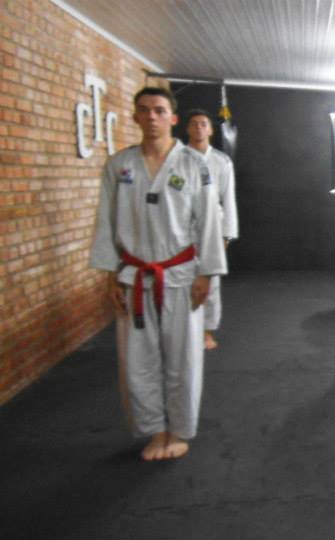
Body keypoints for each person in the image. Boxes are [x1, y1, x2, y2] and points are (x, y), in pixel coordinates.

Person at [90, 87, 226, 460]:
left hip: (181, 275)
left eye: (159, 110)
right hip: (133, 276)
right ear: (135, 116)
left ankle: (179, 429)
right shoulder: (119, 165)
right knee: (137, 362)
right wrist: (110, 274)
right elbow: (106, 221)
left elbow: (209, 222)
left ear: (172, 118)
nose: (151, 116)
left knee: (183, 358)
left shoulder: (194, 165)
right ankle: (155, 430)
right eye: (144, 110)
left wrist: (207, 273)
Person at [185, 109, 239, 350]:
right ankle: (184, 329)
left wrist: (227, 233)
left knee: (211, 278)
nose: (198, 127)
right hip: (181, 224)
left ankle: (206, 331)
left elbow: (228, 198)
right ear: (187, 128)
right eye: (194, 124)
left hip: (213, 224)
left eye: (203, 124)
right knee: (180, 278)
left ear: (210, 130)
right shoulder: (177, 157)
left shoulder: (221, 161)